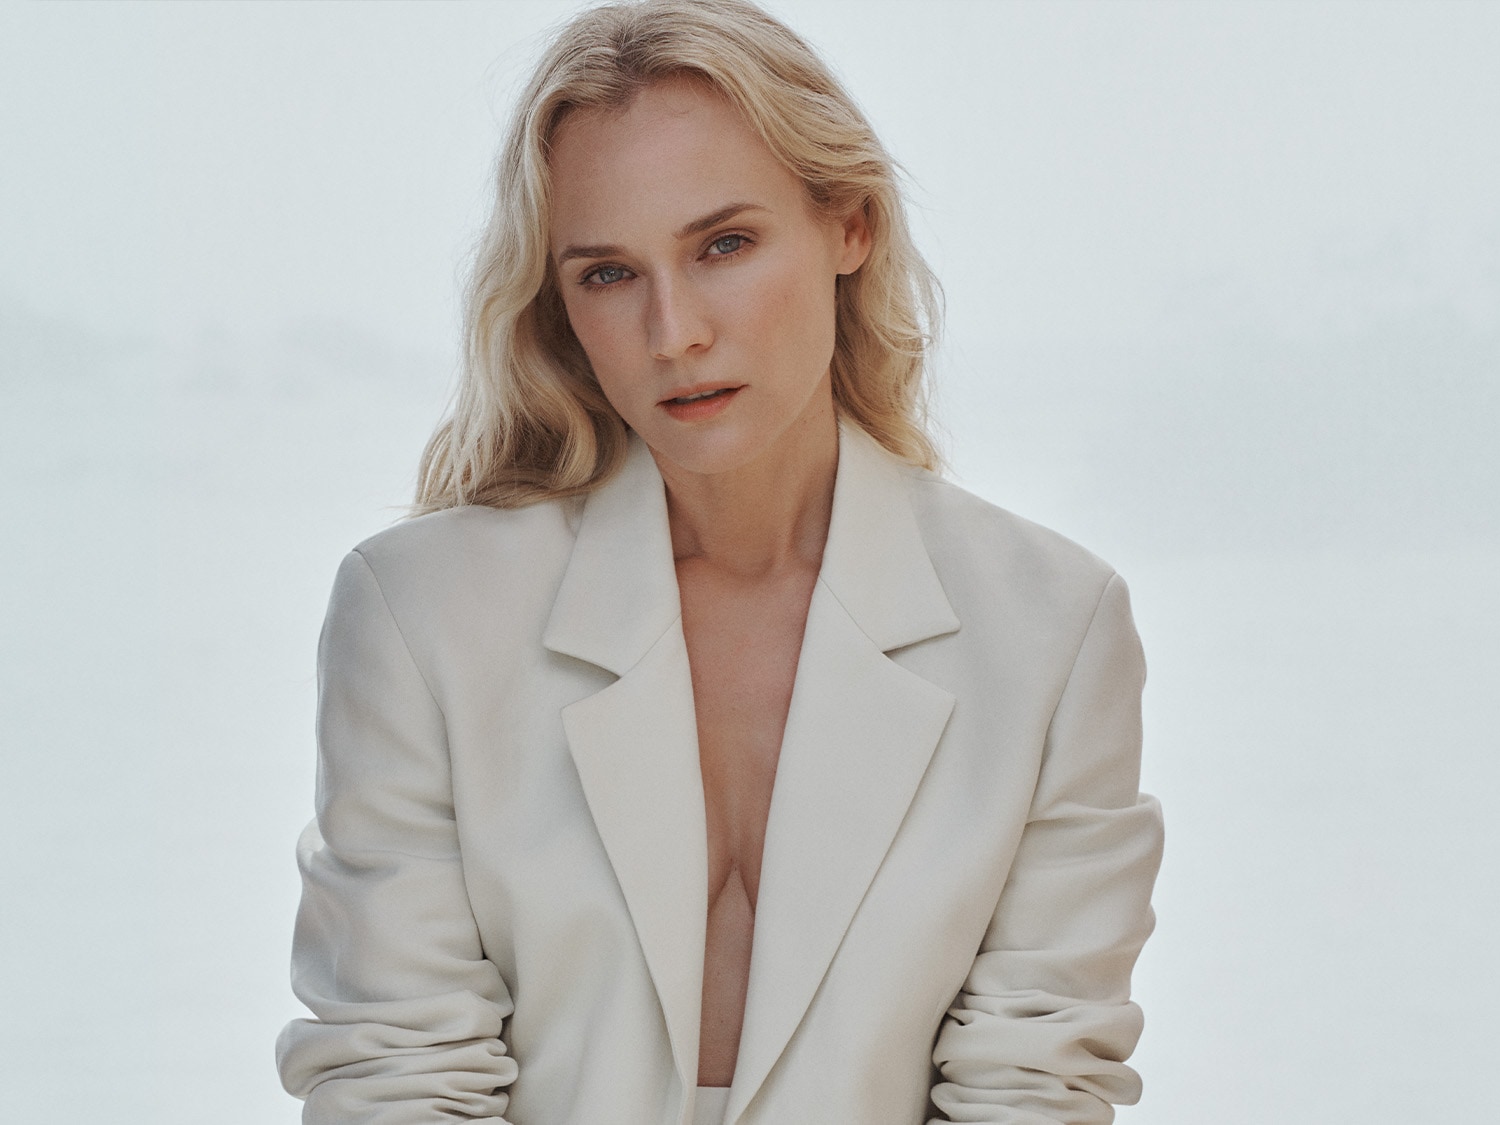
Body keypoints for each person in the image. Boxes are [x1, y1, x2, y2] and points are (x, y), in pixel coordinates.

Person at [275, 1, 1164, 1122]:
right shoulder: (418, 619)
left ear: (850, 226)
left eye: (724, 246)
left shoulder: (1053, 632)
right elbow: (397, 1077)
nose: (674, 332)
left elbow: (1034, 1089)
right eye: (608, 274)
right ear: (559, 302)